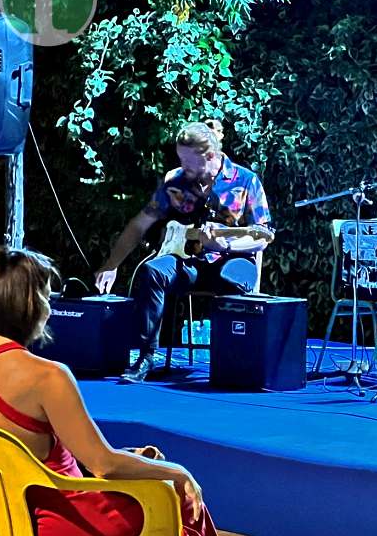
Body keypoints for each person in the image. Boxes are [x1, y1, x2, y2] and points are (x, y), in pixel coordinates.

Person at [0, 247, 232, 536]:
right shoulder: (46, 376)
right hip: (55, 521)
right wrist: (177, 471)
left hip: (6, 521)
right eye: (47, 295)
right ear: (31, 305)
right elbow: (104, 463)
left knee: (144, 479)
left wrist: (140, 462)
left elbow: (17, 452)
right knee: (172, 500)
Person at [94, 120, 273, 383]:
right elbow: (140, 224)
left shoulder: (246, 180)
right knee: (152, 271)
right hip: (190, 263)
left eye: (189, 163)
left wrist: (227, 245)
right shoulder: (178, 183)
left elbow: (263, 237)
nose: (184, 169)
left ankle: (233, 360)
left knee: (232, 277)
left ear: (210, 156)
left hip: (234, 261)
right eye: (181, 161)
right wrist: (112, 263)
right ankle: (145, 357)